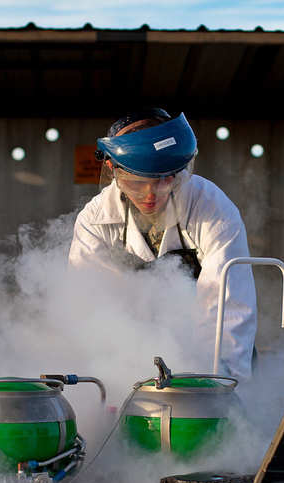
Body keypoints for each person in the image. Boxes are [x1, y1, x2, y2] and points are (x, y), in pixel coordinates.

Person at [68, 108, 256, 379]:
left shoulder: (211, 207)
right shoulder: (94, 220)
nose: (150, 195)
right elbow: (87, 307)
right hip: (133, 356)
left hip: (210, 352)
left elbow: (227, 311)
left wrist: (220, 389)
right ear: (112, 169)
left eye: (164, 180)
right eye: (136, 183)